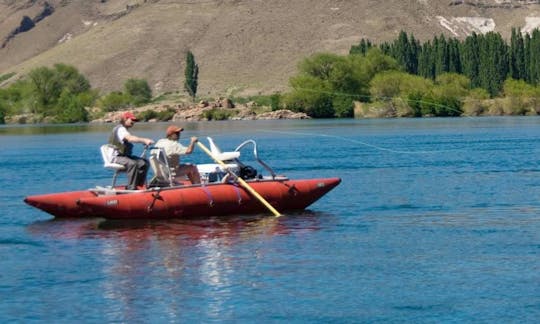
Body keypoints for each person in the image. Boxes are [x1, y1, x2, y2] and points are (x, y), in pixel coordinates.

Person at [109, 111, 154, 190]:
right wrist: (144, 140)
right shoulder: (121, 129)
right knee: (132, 164)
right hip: (116, 157)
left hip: (125, 156)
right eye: (132, 120)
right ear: (125, 119)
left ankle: (138, 185)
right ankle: (131, 188)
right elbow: (130, 138)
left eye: (135, 121)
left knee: (144, 163)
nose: (133, 122)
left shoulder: (124, 129)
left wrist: (143, 142)